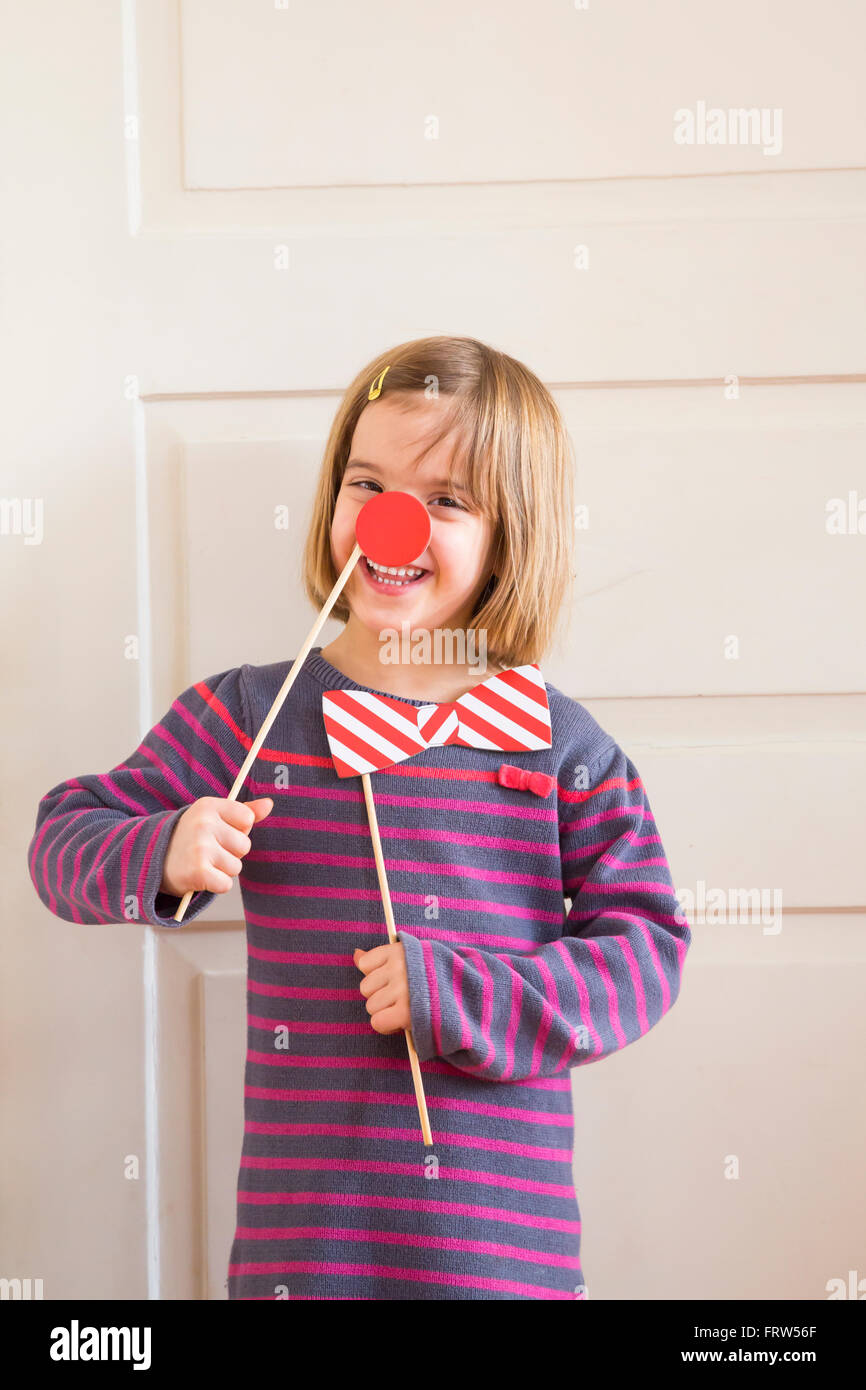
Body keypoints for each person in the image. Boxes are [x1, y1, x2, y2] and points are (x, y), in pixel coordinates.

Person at [27, 335, 691, 1300]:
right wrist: (163, 848)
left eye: (447, 500)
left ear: (517, 533)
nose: (392, 523)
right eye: (367, 485)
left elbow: (646, 950)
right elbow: (61, 838)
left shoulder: (560, 749)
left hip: (500, 1263)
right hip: (306, 1257)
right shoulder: (253, 715)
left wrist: (461, 995)